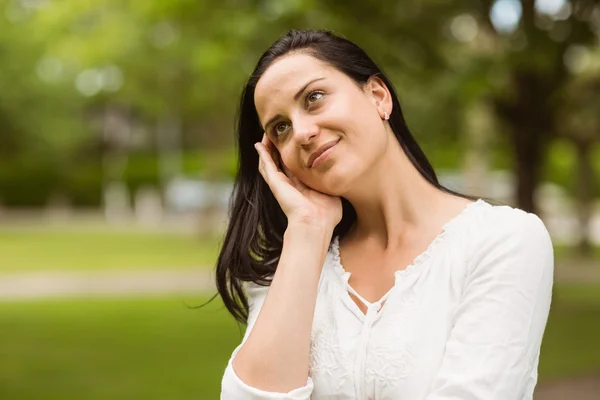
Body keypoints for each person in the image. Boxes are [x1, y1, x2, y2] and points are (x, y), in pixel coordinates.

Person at [217, 29, 554, 400]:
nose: (301, 133)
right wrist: (308, 229)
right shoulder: (286, 268)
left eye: (314, 98)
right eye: (280, 128)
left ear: (378, 96)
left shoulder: (502, 241)